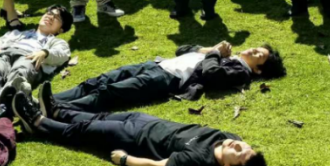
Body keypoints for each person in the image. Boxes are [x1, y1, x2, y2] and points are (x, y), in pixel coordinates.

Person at [12, 93, 268, 166]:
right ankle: (57, 111)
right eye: (246, 146)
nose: (238, 145)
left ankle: (38, 122)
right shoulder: (230, 138)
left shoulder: (199, 163)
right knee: (99, 117)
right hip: (147, 120)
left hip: (133, 138)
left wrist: (126, 160)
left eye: (239, 153)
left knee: (85, 131)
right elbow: (240, 145)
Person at [45, 42, 284, 112]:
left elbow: (212, 74)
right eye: (257, 48)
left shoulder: (240, 72)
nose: (253, 50)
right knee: (99, 81)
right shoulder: (225, 55)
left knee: (111, 92)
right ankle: (49, 100)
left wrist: (214, 54)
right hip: (158, 64)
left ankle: (57, 109)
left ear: (258, 70)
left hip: (168, 79)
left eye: (259, 55)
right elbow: (182, 50)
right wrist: (209, 49)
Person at [0, 6, 74, 123]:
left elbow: (62, 54)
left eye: (56, 17)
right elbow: (2, 39)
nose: (50, 16)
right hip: (5, 54)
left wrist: (44, 53)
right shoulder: (19, 33)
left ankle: (6, 95)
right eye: (49, 13)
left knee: (20, 70)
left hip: (29, 57)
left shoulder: (57, 42)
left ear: (61, 29)